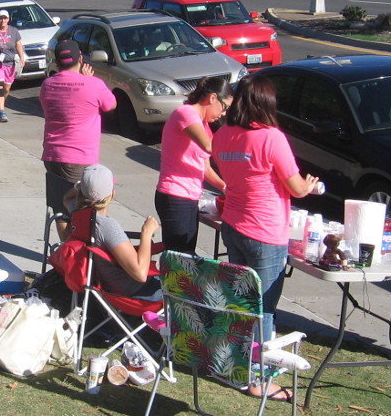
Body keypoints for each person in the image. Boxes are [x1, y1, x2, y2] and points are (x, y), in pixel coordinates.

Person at [211, 74, 319, 400]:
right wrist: (310, 184)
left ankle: (236, 364)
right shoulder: (272, 137)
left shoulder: (223, 135)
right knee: (264, 308)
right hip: (266, 232)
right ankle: (259, 378)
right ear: (266, 104)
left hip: (233, 224)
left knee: (242, 303)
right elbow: (296, 187)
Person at [40, 39, 116, 239]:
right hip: (79, 158)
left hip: (52, 155)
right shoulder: (93, 84)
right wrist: (86, 79)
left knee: (60, 208)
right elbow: (111, 105)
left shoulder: (47, 85)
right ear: (80, 59)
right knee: (83, 210)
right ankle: (74, 256)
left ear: (57, 61)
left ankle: (67, 255)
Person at [154, 77, 231, 255]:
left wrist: (226, 187)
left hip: (190, 197)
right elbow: (208, 146)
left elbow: (204, 167)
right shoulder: (186, 113)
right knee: (178, 257)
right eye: (225, 107)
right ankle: (167, 283)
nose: (224, 113)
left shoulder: (203, 124)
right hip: (175, 195)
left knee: (187, 255)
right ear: (212, 98)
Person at [65, 164, 162, 300]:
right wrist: (146, 233)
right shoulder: (108, 226)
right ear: (112, 194)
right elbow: (140, 273)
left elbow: (67, 199)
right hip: (134, 293)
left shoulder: (78, 215)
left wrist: (81, 188)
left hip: (107, 287)